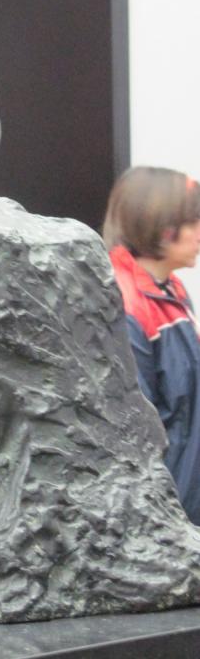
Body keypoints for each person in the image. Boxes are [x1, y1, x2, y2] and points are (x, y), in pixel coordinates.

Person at [104, 166, 200, 523]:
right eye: (193, 221)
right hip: (168, 512)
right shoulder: (123, 305)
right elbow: (136, 434)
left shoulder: (171, 289)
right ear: (161, 225)